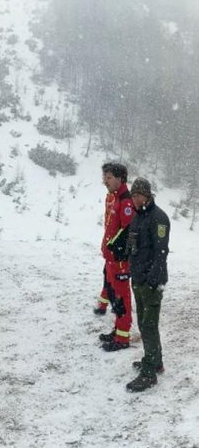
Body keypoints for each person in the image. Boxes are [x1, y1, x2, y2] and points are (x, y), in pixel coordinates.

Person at [124, 177, 169, 392]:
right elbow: (134, 245)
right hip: (138, 279)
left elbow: (161, 253)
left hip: (151, 282)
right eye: (133, 195)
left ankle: (149, 373)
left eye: (138, 195)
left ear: (147, 195)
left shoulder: (158, 218)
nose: (135, 199)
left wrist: (152, 281)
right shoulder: (138, 217)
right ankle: (155, 361)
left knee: (149, 326)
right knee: (143, 324)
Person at [96, 162, 135, 351]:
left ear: (120, 179)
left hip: (120, 261)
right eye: (104, 177)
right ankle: (118, 329)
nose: (105, 181)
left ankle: (123, 338)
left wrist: (115, 251)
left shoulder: (126, 202)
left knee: (122, 297)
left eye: (109, 177)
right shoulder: (114, 198)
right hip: (111, 259)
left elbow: (128, 233)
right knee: (115, 296)